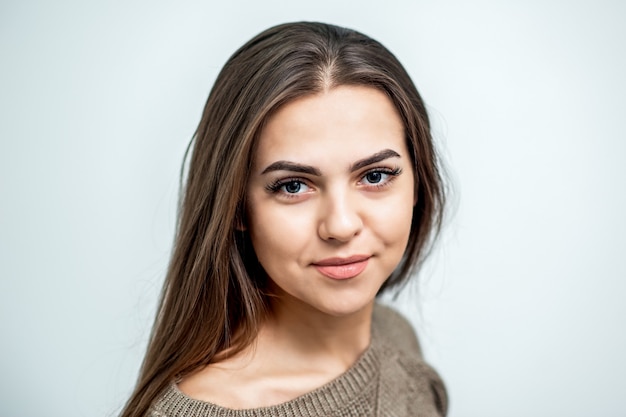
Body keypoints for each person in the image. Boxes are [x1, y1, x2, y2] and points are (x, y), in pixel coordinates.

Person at [120, 21, 448, 417]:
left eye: (375, 176)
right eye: (293, 186)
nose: (341, 226)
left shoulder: (395, 336)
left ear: (419, 183)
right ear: (236, 206)